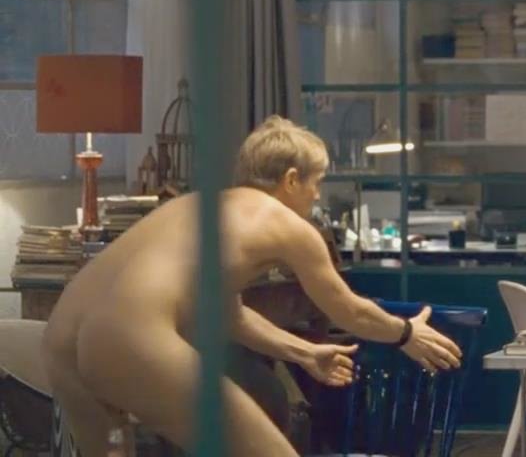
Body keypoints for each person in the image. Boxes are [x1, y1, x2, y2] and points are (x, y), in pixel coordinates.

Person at [42, 116, 463, 456]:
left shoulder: (196, 206)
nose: (317, 197)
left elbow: (232, 316)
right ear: (292, 180)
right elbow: (346, 309)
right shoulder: (286, 224)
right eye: (316, 183)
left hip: (62, 336)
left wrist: (304, 352)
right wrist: (405, 332)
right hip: (129, 332)